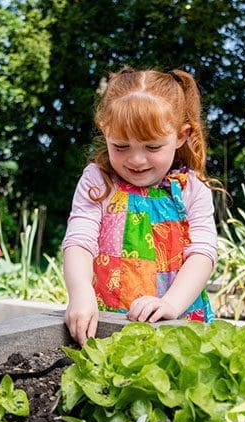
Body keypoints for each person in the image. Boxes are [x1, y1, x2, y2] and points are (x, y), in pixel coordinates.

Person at [61, 67, 222, 345]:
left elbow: (202, 254)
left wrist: (171, 304)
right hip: (109, 328)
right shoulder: (98, 181)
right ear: (105, 132)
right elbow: (79, 242)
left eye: (152, 147)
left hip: (180, 326)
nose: (136, 160)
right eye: (121, 146)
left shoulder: (192, 189)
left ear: (181, 136)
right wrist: (80, 293)